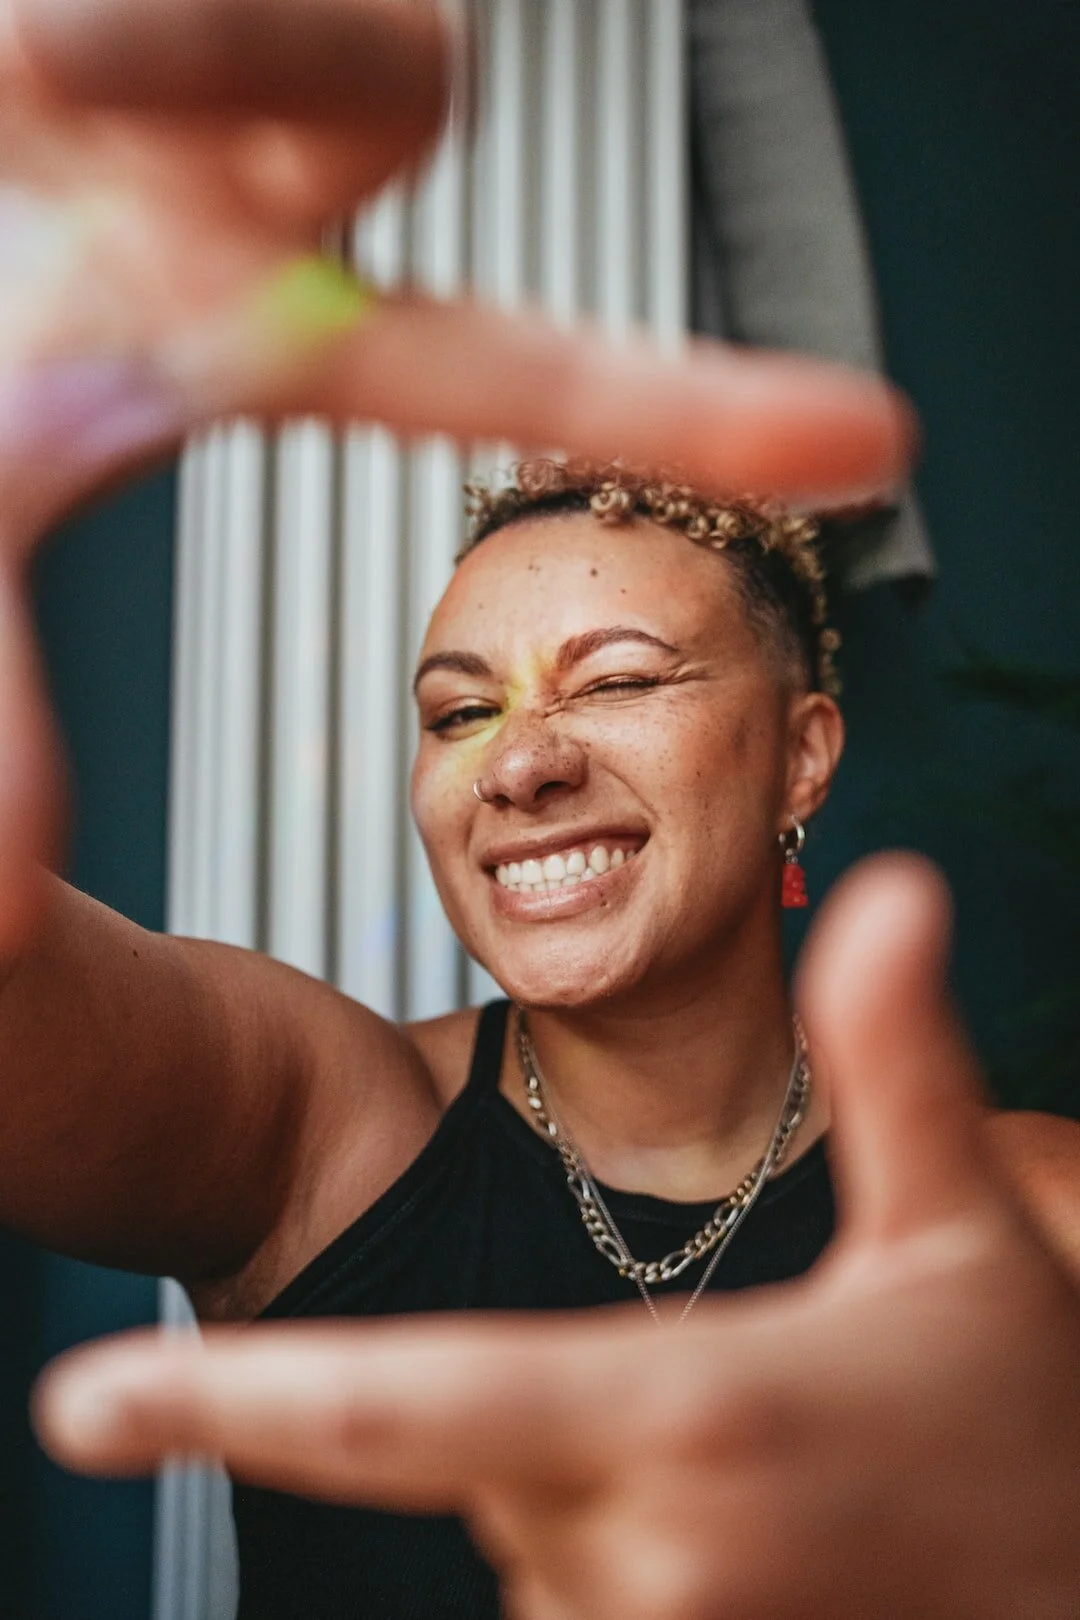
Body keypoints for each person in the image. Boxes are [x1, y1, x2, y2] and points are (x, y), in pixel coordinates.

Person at [1, 1, 1077, 1617]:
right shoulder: (312, 1130)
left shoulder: (1040, 1221)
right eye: (460, 711)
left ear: (804, 755)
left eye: (620, 679)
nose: (520, 763)